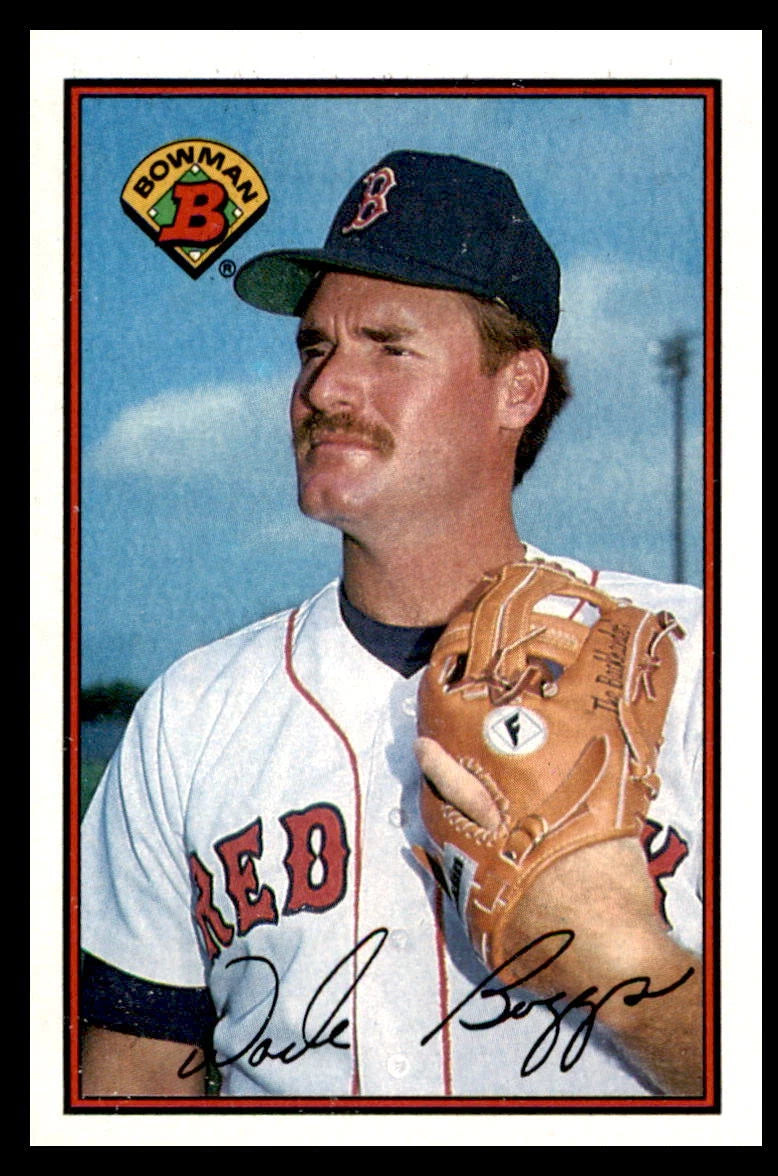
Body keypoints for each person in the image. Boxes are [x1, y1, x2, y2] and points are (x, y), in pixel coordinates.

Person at [80, 150, 703, 1099]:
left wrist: (625, 963)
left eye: (387, 346)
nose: (325, 388)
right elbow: (134, 1087)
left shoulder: (700, 665)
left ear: (518, 388)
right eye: (314, 348)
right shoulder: (188, 716)